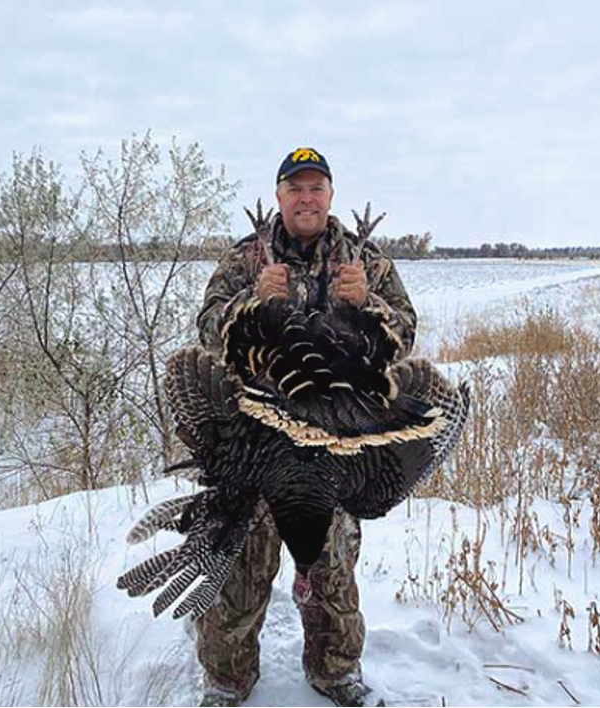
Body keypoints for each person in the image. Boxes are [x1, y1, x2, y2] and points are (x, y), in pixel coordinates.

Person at [193, 147, 417, 708]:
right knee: (239, 566)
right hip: (256, 443)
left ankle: (335, 672)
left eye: (316, 187)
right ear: (280, 197)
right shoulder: (245, 259)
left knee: (333, 568)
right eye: (295, 188)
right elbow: (206, 330)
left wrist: (370, 306)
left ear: (331, 196)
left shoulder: (367, 262)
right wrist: (251, 301)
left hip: (335, 445)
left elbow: (406, 335)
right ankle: (227, 680)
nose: (306, 197)